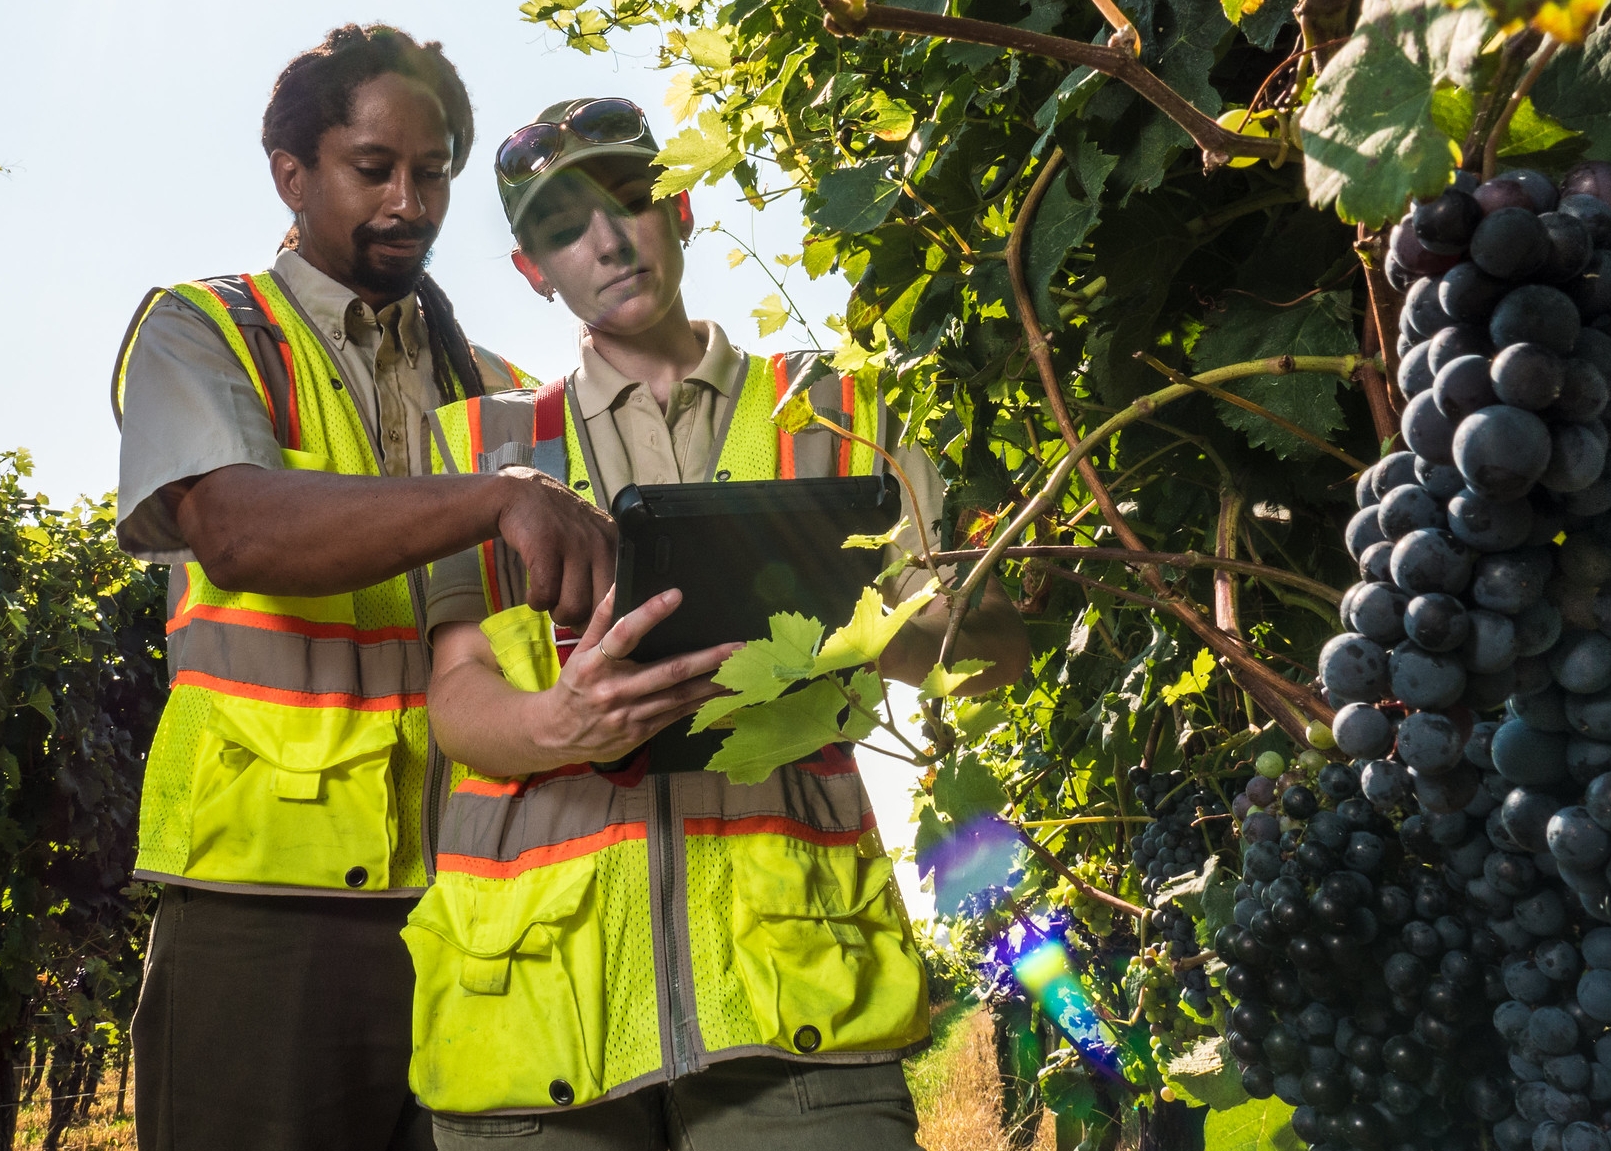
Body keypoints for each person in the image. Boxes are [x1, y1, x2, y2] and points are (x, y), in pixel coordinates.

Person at [400, 98, 1032, 1150]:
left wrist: (861, 629)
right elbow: (459, 699)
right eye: (563, 225)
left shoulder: (840, 412)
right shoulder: (476, 444)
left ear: (681, 206)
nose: (606, 239)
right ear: (531, 270)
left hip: (793, 999)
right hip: (536, 1000)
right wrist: (561, 720)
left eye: (629, 199)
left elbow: (997, 650)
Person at [108, 29, 614, 1151]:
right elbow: (237, 531)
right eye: (371, 167)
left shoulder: (500, 393)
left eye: (431, 173)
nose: (409, 200)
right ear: (290, 171)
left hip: (484, 897)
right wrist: (492, 498)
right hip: (266, 906)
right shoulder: (203, 330)